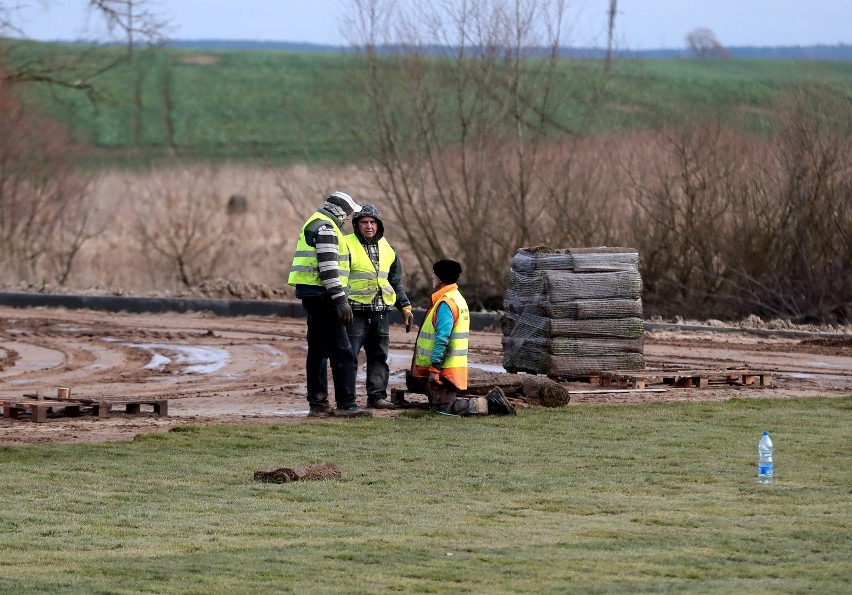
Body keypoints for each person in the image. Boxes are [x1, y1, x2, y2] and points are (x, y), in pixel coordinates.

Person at [288, 191, 372, 418]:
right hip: (324, 296)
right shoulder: (326, 227)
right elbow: (328, 268)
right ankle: (346, 404)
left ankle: (318, 404)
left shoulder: (315, 222)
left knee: (317, 351)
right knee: (342, 351)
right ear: (338, 211)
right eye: (347, 214)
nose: (347, 219)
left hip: (312, 295)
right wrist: (341, 300)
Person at [410, 259, 514, 416]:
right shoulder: (456, 298)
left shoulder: (446, 303)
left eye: (434, 273)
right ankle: (490, 403)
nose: (431, 276)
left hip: (444, 369)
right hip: (450, 367)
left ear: (440, 278)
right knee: (438, 408)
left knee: (446, 409)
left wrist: (435, 369)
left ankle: (490, 403)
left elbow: (442, 338)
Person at [344, 204, 414, 409]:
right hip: (354, 312)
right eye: (364, 222)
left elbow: (395, 281)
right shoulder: (345, 245)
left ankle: (377, 397)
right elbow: (338, 278)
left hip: (381, 311)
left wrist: (405, 306)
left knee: (379, 357)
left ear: (378, 225)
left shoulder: (388, 249)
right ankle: (347, 400)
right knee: (349, 357)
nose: (369, 226)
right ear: (356, 225)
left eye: (373, 222)